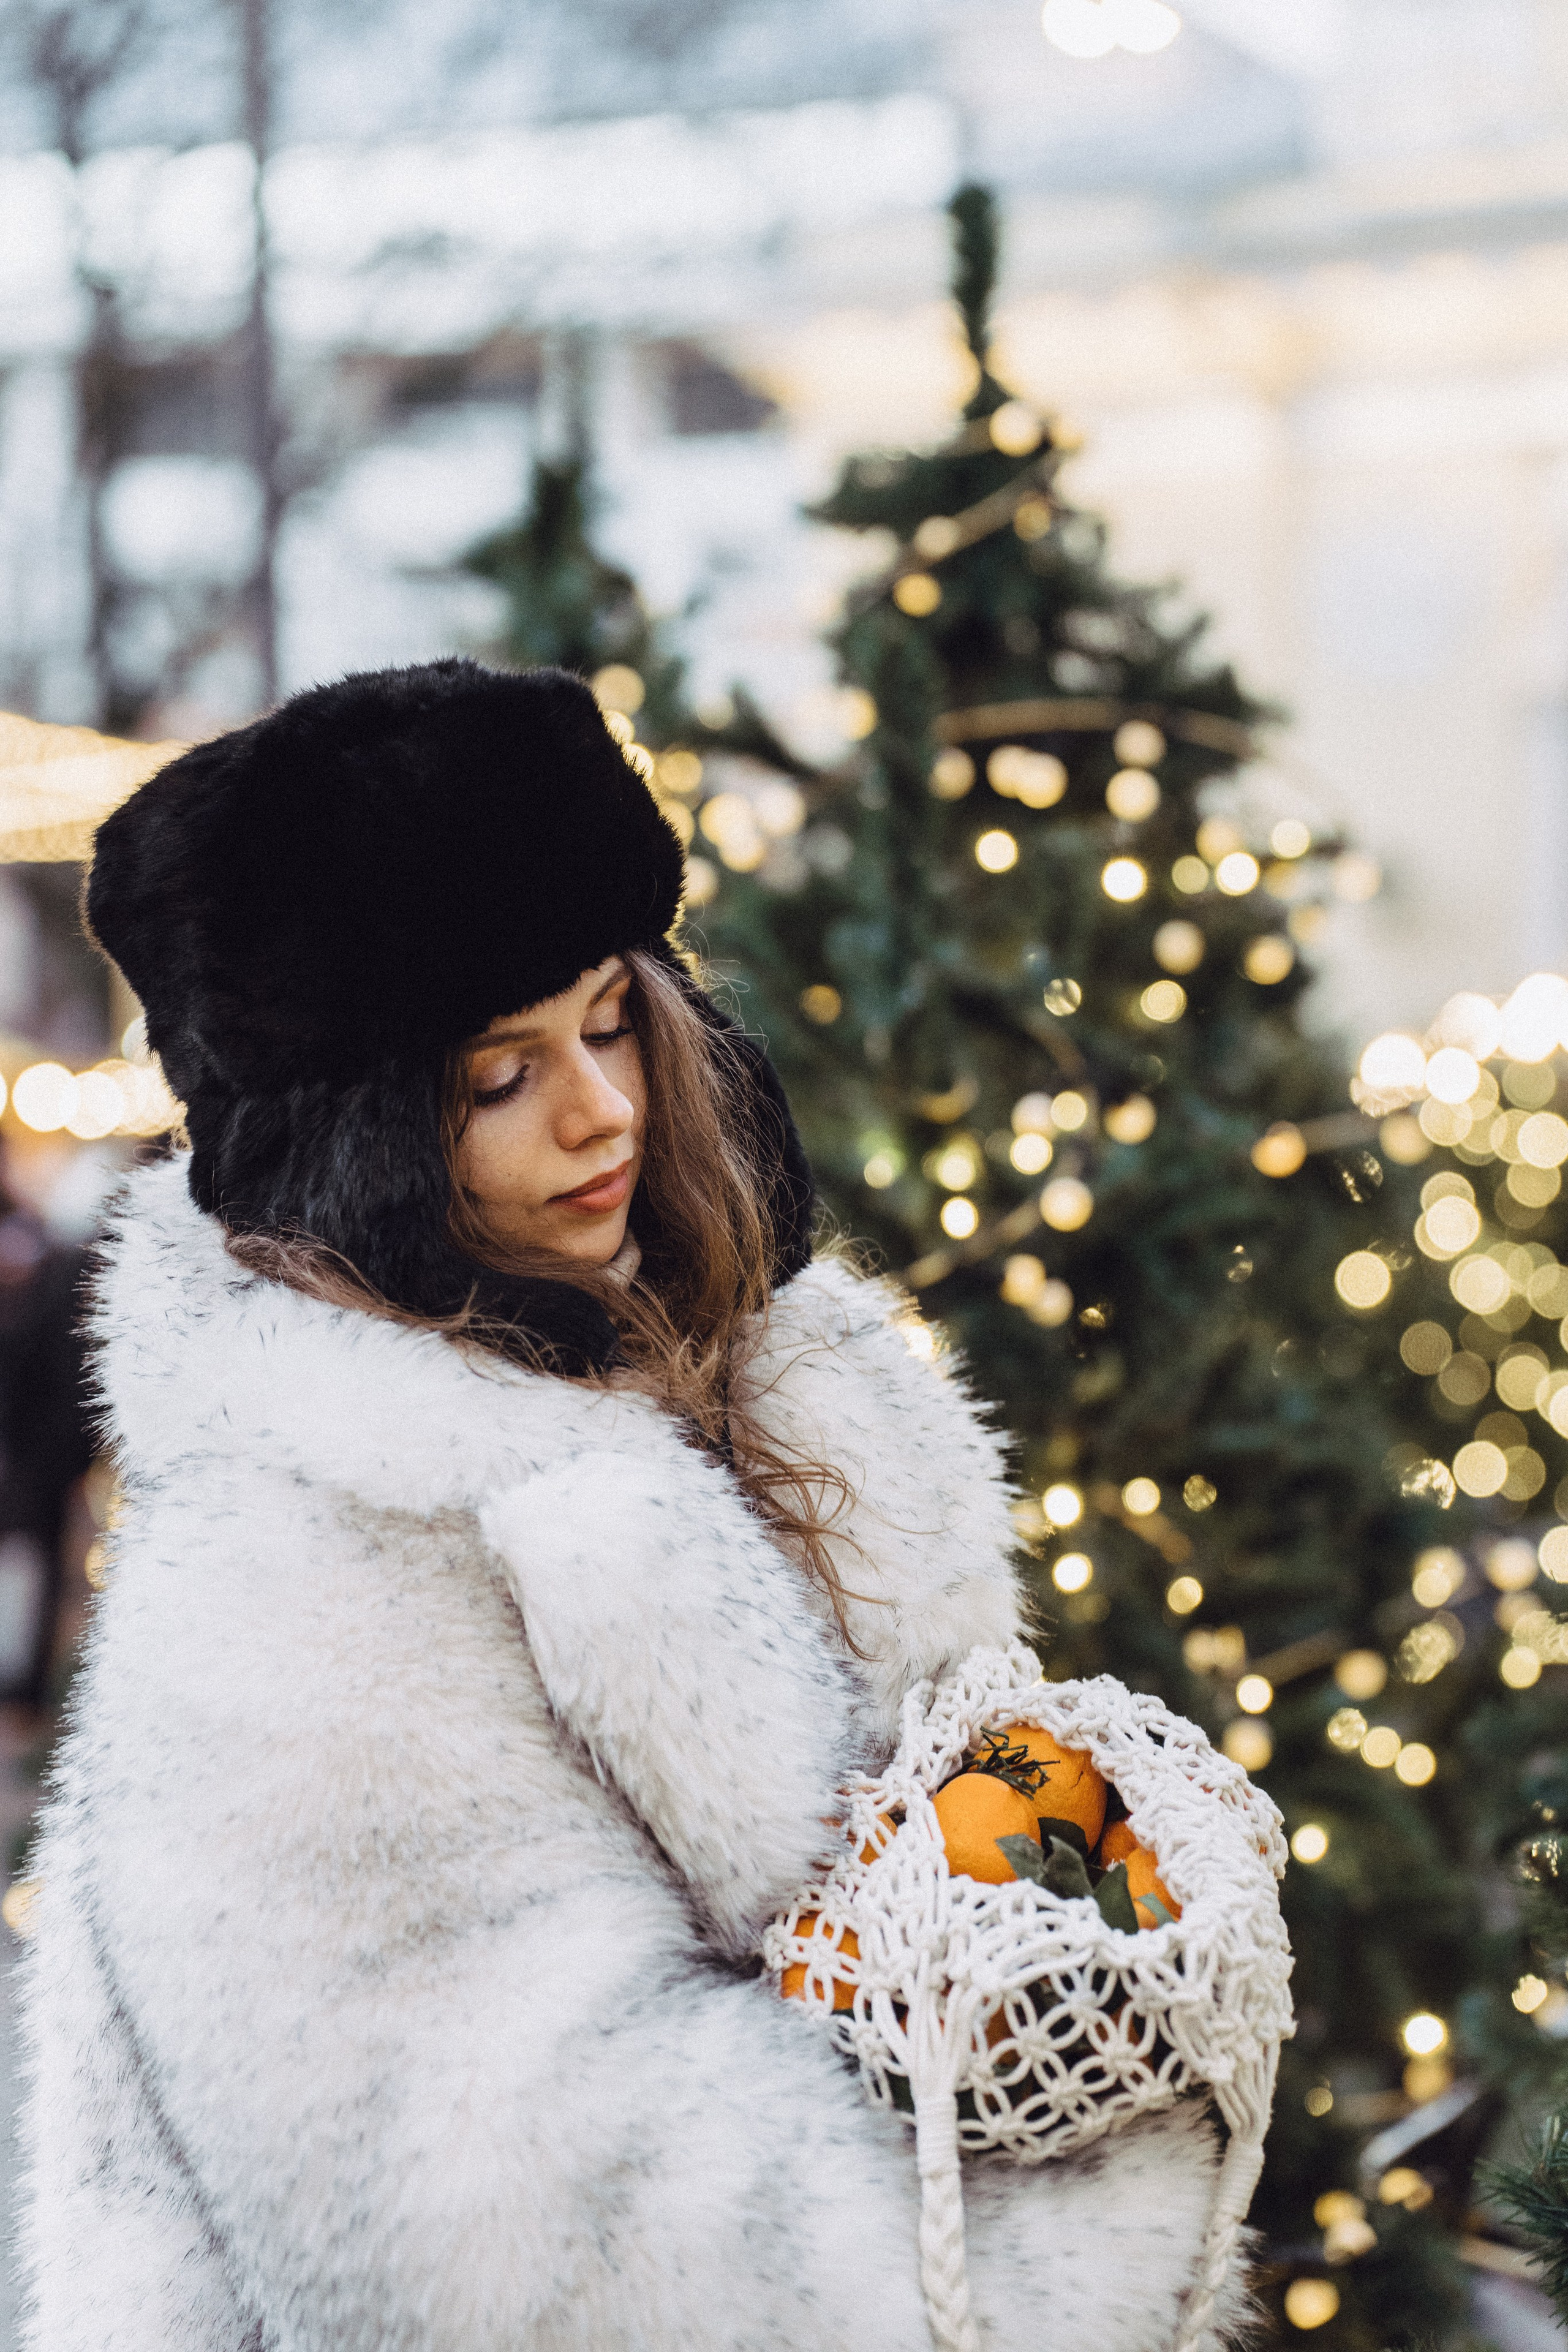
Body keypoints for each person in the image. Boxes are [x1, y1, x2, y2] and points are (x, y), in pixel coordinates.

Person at [17, 661, 1234, 2351]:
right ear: (355, 1144)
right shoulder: (293, 1576)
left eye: (608, 1022)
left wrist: (1083, 1938)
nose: (602, 1111)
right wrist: (1092, 2200)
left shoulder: (767, 1375)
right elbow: (509, 2224)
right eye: (496, 1079)